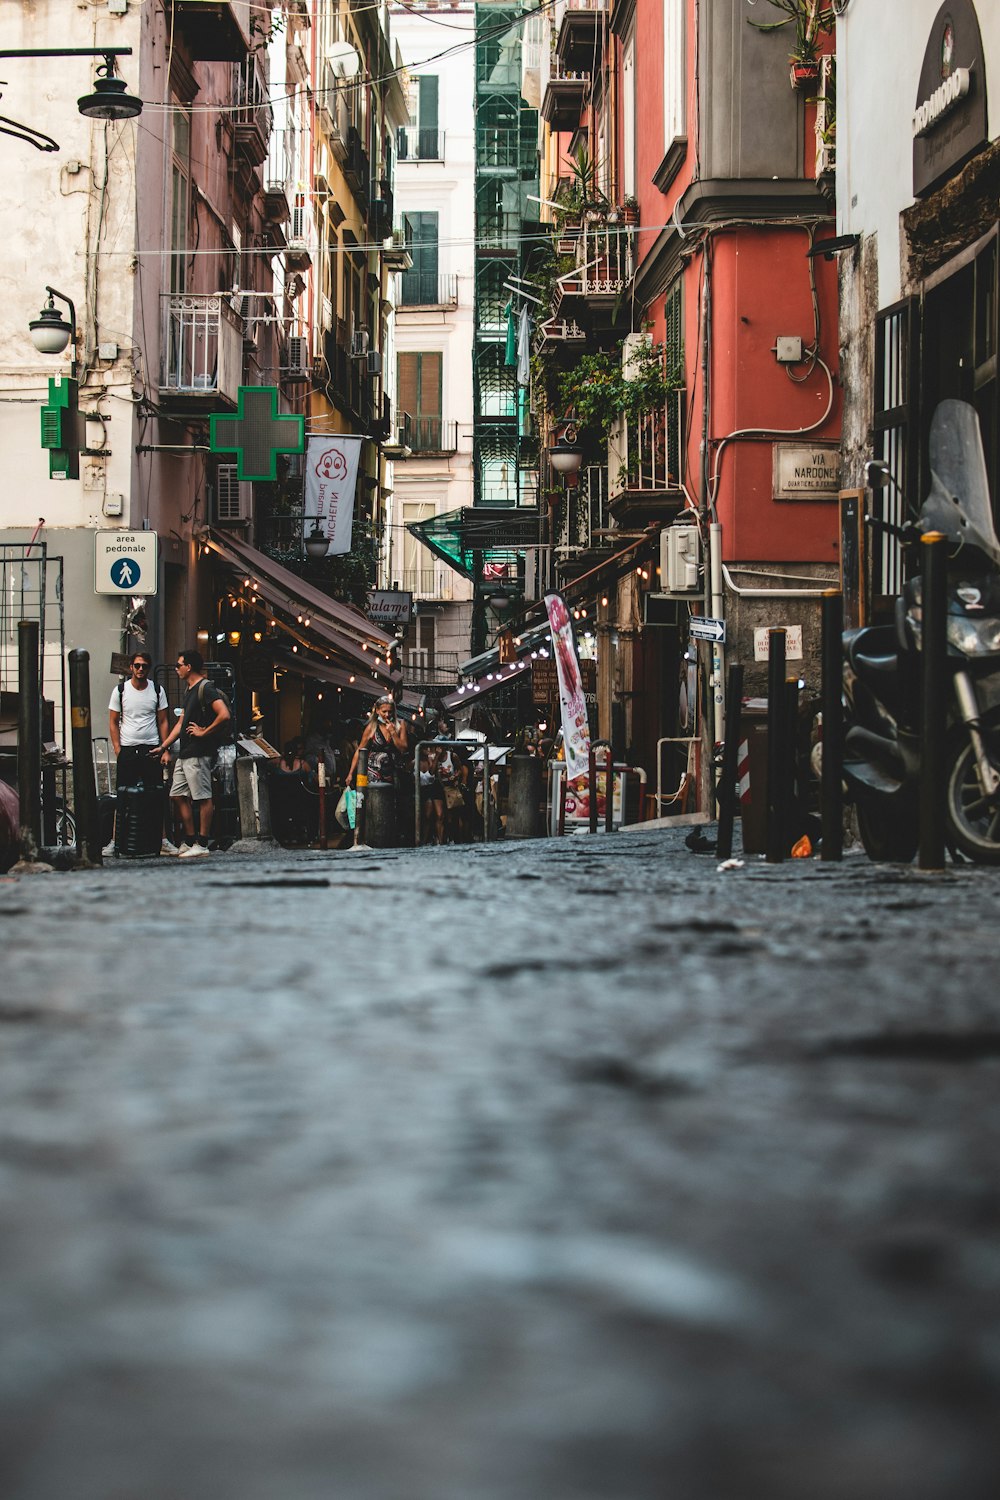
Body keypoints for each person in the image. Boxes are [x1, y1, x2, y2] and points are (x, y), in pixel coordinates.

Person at [158, 649, 231, 859]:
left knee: (203, 797)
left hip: (199, 752)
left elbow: (224, 714)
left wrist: (204, 732)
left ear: (188, 667)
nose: (176, 669)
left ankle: (202, 842)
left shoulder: (205, 688)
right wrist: (164, 746)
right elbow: (181, 723)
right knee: (177, 795)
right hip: (186, 751)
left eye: (178, 665)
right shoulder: (189, 690)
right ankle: (189, 840)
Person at [105, 651, 176, 857]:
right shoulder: (120, 691)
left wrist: (164, 748)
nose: (141, 669)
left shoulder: (156, 690)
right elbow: (113, 721)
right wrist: (118, 749)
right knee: (122, 796)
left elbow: (163, 720)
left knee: (155, 795)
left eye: (144, 666)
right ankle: (115, 841)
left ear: (149, 668)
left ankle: (162, 840)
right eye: (137, 666)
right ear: (131, 668)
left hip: (151, 748)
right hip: (128, 749)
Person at [345, 694, 409, 789]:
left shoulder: (400, 724)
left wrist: (393, 733)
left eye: (390, 712)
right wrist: (350, 773)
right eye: (384, 712)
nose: (387, 715)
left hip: (393, 772)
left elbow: (403, 748)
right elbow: (360, 750)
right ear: (378, 711)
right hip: (374, 773)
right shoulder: (372, 727)